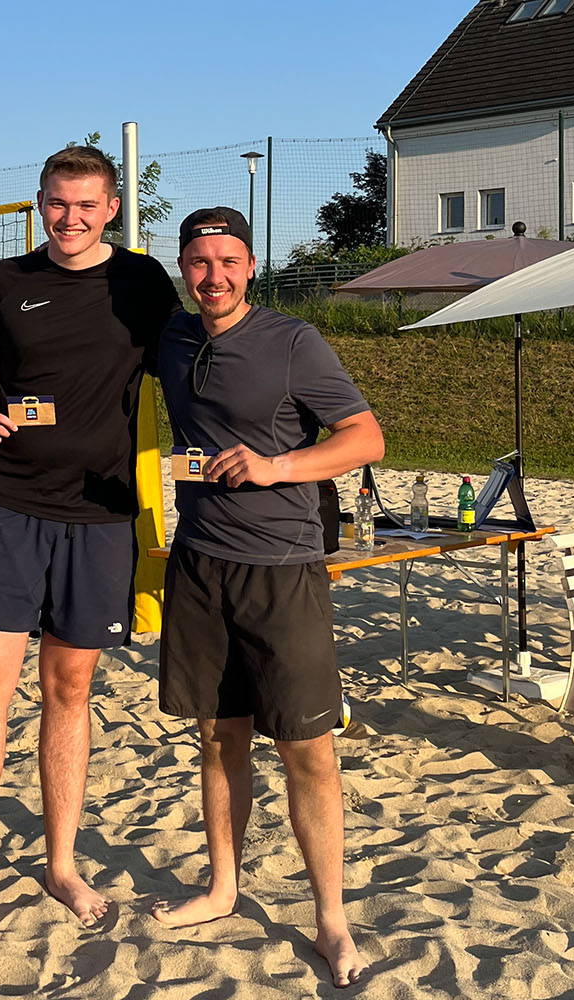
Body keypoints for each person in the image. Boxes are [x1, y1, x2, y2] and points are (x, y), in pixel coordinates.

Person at [0, 146, 181, 942]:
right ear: (39, 202)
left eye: (88, 205)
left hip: (100, 518)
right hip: (11, 508)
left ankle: (60, 862)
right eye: (58, 204)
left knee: (69, 693)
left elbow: (192, 368)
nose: (72, 219)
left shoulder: (142, 282)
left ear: (114, 207)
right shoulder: (6, 281)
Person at [151, 207, 382, 987]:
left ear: (252, 266)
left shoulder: (293, 343)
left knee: (307, 751)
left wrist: (278, 466)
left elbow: (365, 439)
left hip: (282, 570)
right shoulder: (174, 338)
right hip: (199, 563)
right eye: (198, 262)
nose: (212, 276)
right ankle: (222, 887)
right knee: (219, 738)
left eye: (228, 261)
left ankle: (330, 919)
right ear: (182, 266)